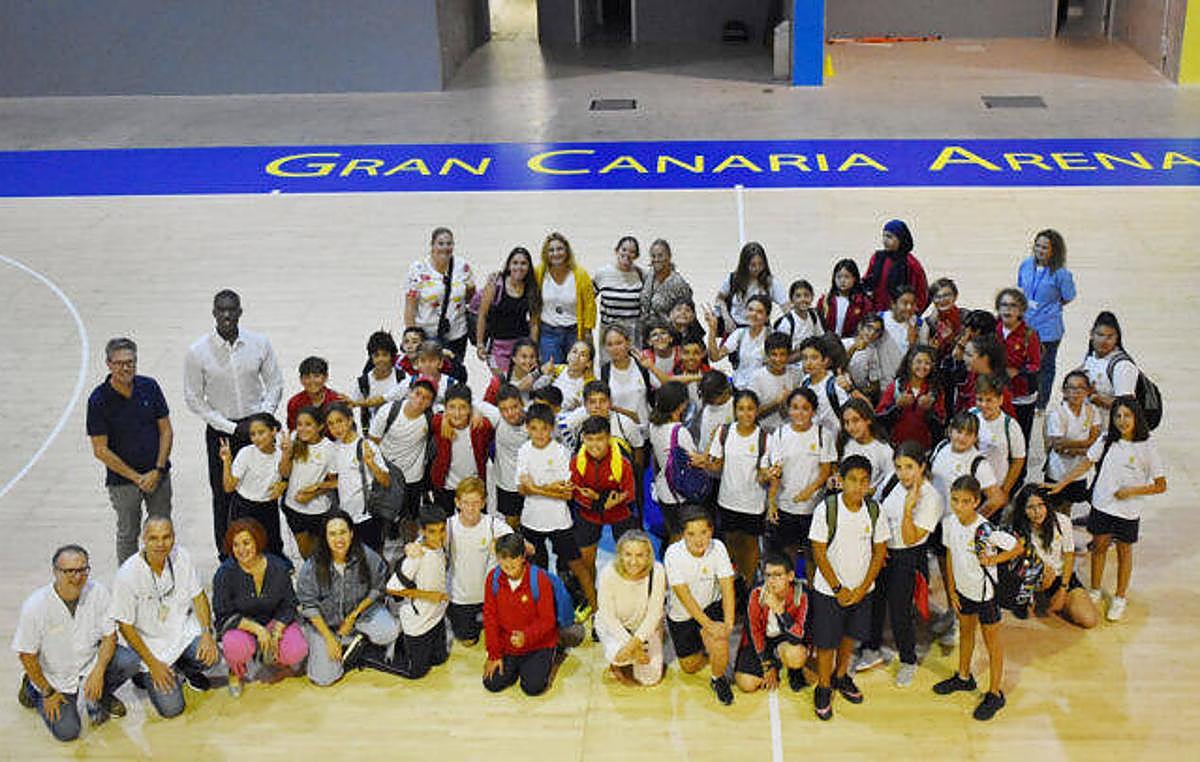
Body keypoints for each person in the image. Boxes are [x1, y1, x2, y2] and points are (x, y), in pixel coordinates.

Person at [184, 289, 284, 558]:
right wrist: (230, 427)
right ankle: (227, 555)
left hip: (258, 429)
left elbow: (275, 382)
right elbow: (194, 398)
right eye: (221, 310)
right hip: (222, 432)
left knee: (266, 488)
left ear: (240, 311)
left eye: (232, 309)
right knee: (223, 495)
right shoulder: (198, 352)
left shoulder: (259, 343)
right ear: (214, 312)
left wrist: (262, 418)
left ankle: (272, 551)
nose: (227, 315)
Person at [1047, 397, 1166, 622]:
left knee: (1124, 552)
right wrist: (1062, 483)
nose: (1122, 421)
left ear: (1136, 417)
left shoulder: (1147, 445)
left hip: (1128, 511)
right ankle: (1095, 589)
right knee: (1099, 546)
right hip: (1102, 506)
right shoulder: (1106, 440)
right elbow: (1086, 464)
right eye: (1118, 416)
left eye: (1127, 416)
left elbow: (1161, 485)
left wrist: (1131, 491)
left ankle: (1120, 597)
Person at [13, 544, 139, 741]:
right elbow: (26, 654)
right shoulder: (36, 606)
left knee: (129, 661)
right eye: (69, 571)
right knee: (68, 732)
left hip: (89, 663)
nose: (77, 576)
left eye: (82, 570)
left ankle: (100, 695)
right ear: (55, 572)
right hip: (54, 678)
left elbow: (109, 636)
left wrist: (98, 672)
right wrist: (47, 692)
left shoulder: (98, 593)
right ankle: (31, 688)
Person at [933, 475, 1024, 722]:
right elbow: (950, 555)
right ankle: (964, 677)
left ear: (976, 501)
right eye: (955, 500)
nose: (959, 506)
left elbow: (1017, 547)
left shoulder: (984, 528)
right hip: (963, 592)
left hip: (986, 596)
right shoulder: (950, 523)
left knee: (992, 643)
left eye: (965, 501)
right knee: (965, 633)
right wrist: (951, 589)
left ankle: (995, 693)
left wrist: (994, 560)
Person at [111, 517, 220, 719]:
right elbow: (125, 626)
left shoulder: (182, 557)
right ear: (143, 539)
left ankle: (184, 669)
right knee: (172, 709)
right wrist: (153, 665)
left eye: (166, 537)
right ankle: (142, 675)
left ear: (174, 538)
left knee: (212, 655)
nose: (161, 544)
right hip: (150, 648)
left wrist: (207, 634)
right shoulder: (128, 574)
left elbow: (199, 596)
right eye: (153, 538)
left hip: (180, 634)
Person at [808, 456, 889, 721]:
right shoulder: (826, 509)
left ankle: (841, 676)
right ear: (841, 481)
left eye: (864, 481)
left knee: (849, 636)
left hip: (862, 591)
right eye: (852, 480)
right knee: (825, 642)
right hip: (828, 591)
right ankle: (823, 685)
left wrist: (862, 588)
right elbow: (818, 551)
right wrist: (838, 587)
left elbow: (879, 553)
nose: (858, 486)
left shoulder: (875, 511)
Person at [858, 442, 941, 686]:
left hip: (907, 557)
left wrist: (907, 509)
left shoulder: (931, 497)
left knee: (899, 611)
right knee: (874, 602)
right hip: (882, 551)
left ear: (922, 467)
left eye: (909, 467)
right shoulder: (893, 481)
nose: (903, 473)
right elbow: (878, 509)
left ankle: (908, 660)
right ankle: (871, 649)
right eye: (899, 467)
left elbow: (910, 537)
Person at [87, 337, 174, 564]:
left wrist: (158, 469)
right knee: (128, 533)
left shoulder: (149, 387)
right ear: (108, 364)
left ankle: (163, 572)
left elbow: (166, 430)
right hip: (123, 482)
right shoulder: (98, 400)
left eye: (131, 362)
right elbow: (100, 449)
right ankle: (129, 581)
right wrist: (136, 477)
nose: (126, 367)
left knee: (162, 529)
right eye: (119, 363)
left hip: (158, 477)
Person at [296, 510, 400, 686]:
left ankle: (352, 638)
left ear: (351, 534)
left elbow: (378, 587)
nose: (339, 539)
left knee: (389, 632)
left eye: (343, 532)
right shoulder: (311, 567)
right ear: (325, 537)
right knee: (324, 679)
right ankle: (333, 642)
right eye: (333, 534)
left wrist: (353, 616)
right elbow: (309, 605)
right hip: (325, 624)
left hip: (359, 615)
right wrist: (328, 638)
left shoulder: (368, 556)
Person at [212, 518, 307, 698]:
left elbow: (290, 603)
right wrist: (258, 630)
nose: (241, 550)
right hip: (242, 627)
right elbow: (222, 615)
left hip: (272, 621)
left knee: (297, 649)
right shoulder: (225, 573)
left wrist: (278, 628)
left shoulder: (278, 567)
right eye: (236, 545)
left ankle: (279, 661)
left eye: (246, 543)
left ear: (257, 541)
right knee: (235, 646)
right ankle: (235, 671)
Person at [517, 403, 596, 616]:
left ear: (552, 428)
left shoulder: (561, 452)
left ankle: (597, 611)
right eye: (534, 428)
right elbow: (522, 489)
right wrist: (547, 488)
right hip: (531, 521)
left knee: (578, 567)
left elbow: (567, 494)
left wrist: (535, 487)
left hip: (560, 521)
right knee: (536, 572)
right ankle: (540, 613)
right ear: (527, 428)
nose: (539, 434)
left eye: (544, 428)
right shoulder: (524, 450)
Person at [664, 508, 737, 705]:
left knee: (720, 643)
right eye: (691, 534)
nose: (699, 540)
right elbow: (684, 595)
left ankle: (718, 678)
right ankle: (710, 654)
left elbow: (727, 585)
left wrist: (728, 624)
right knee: (689, 666)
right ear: (682, 535)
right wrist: (708, 625)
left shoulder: (718, 547)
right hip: (682, 613)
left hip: (710, 605)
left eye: (704, 532)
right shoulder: (673, 553)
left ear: (711, 531)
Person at [706, 389, 772, 597]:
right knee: (731, 544)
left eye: (750, 409)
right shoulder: (724, 432)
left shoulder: (765, 439)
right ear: (735, 411)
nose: (745, 414)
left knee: (750, 546)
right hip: (727, 501)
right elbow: (715, 466)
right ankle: (733, 585)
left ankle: (748, 588)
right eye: (741, 409)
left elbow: (762, 475)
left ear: (757, 411)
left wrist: (768, 475)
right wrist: (706, 457)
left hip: (753, 504)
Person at [764, 387, 836, 572]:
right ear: (788, 410)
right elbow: (775, 472)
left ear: (813, 411)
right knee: (788, 555)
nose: (800, 413)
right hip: (785, 506)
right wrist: (772, 502)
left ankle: (812, 595)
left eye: (805, 408)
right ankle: (792, 592)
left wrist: (809, 491)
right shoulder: (779, 434)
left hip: (813, 508)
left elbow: (826, 470)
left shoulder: (823, 435)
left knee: (814, 555)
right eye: (795, 407)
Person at [571, 416, 638, 611]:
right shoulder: (577, 461)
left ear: (608, 438)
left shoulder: (623, 462)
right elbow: (575, 491)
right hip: (589, 513)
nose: (594, 445)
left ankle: (626, 598)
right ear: (583, 439)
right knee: (586, 558)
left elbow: (630, 492)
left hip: (620, 513)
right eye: (589, 440)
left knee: (629, 557)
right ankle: (591, 598)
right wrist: (598, 502)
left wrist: (615, 500)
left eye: (599, 439)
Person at [1005, 485, 1098, 628]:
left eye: (1040, 505)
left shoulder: (1062, 521)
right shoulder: (1016, 528)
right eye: (1030, 507)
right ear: (1023, 510)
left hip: (1059, 577)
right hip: (1031, 574)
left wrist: (1062, 590)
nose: (1037, 512)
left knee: (1088, 619)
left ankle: (1050, 597)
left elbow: (1068, 555)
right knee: (1044, 573)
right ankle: (1031, 596)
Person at [482, 533, 560, 696]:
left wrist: (527, 636)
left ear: (523, 557)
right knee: (492, 683)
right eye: (504, 566)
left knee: (532, 688)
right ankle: (516, 667)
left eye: (513, 565)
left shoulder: (539, 580)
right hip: (508, 643)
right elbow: (490, 618)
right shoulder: (493, 579)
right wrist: (494, 654)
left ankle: (552, 653)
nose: (509, 570)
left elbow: (548, 620)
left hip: (538, 644)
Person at [441, 477, 514, 644]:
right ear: (457, 502)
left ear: (483, 503)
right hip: (460, 598)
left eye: (475, 502)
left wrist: (505, 547)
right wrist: (414, 547)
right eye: (466, 502)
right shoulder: (448, 526)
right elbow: (423, 543)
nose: (471, 508)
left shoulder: (493, 524)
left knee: (502, 636)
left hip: (491, 596)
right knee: (468, 640)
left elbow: (517, 544)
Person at [595, 529, 666, 687]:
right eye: (628, 554)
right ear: (620, 554)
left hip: (645, 627)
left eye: (640, 555)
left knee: (650, 679)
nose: (633, 561)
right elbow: (608, 616)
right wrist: (632, 648)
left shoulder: (658, 571)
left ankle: (654, 640)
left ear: (648, 555)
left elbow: (655, 614)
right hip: (615, 627)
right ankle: (619, 660)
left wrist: (635, 643)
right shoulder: (608, 573)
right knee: (618, 657)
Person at [386, 505, 450, 679]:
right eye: (433, 532)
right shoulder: (416, 556)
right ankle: (374, 652)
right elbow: (392, 588)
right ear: (423, 531)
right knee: (417, 673)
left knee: (440, 660)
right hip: (418, 623)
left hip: (436, 618)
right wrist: (430, 596)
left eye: (442, 530)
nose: (439, 536)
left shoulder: (439, 545)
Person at [733, 551, 809, 694]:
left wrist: (780, 611)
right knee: (746, 684)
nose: (771, 581)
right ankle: (774, 663)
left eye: (778, 575)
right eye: (768, 575)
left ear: (790, 576)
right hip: (761, 641)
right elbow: (753, 632)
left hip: (785, 640)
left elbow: (798, 636)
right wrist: (767, 665)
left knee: (797, 656)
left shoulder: (802, 595)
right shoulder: (756, 593)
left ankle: (793, 670)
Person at [370, 377, 436, 543]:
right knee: (383, 517)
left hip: (412, 477)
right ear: (409, 393)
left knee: (411, 517)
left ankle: (410, 551)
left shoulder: (430, 419)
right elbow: (372, 443)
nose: (420, 400)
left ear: (430, 403)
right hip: (388, 476)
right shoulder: (388, 411)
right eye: (417, 394)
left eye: (426, 398)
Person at [1016, 229, 1076, 411]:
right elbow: (1021, 289)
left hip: (1048, 329)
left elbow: (1068, 296)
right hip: (1025, 325)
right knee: (1024, 364)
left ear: (1054, 251)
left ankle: (1040, 405)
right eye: (1038, 246)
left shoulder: (1061, 274)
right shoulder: (1026, 265)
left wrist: (1050, 307)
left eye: (1045, 247)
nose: (1040, 250)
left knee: (1045, 367)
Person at [325, 402, 392, 554]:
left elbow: (386, 481)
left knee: (373, 557)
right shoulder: (335, 448)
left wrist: (371, 463)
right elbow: (340, 479)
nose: (336, 428)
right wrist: (317, 487)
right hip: (346, 517)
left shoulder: (365, 445)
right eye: (331, 424)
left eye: (340, 421)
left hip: (368, 516)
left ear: (350, 420)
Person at [220, 412, 287, 560]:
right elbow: (229, 487)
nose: (256, 438)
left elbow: (287, 475)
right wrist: (226, 461)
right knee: (242, 550)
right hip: (243, 508)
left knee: (272, 549)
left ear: (273, 431)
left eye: (261, 432)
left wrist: (283, 484)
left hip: (268, 508)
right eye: (253, 434)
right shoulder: (246, 453)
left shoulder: (281, 455)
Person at [404, 226, 477, 363]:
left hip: (457, 333)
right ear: (432, 245)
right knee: (430, 375)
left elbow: (470, 298)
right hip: (427, 334)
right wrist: (411, 337)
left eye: (449, 243)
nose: (445, 248)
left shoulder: (462, 267)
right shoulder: (418, 269)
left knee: (454, 373)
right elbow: (410, 307)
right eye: (440, 243)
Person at [647, 382, 706, 541]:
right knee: (682, 537)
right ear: (681, 406)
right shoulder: (679, 432)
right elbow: (696, 461)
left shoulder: (653, 426)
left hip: (663, 490)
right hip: (680, 494)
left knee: (672, 531)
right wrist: (708, 456)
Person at [280, 406, 338, 559]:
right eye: (299, 424)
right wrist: (286, 452)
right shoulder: (293, 439)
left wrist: (313, 493)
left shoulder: (330, 449)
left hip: (319, 511)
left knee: (321, 553)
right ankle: (312, 580)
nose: (302, 429)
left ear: (320, 426)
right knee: (305, 553)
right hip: (293, 508)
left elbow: (335, 482)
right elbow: (284, 473)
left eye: (308, 424)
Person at [1042, 371, 1102, 514]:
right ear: (1064, 391)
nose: (1076, 392)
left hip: (1078, 472)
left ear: (1088, 391)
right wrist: (1086, 447)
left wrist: (1071, 448)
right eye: (1071, 388)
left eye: (1081, 388)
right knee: (1054, 507)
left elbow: (1095, 441)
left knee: (1068, 504)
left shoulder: (1092, 411)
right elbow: (1057, 444)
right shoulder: (1057, 413)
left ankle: (1066, 527)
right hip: (1057, 470)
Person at [429, 384, 494, 514]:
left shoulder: (481, 426)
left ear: (470, 408)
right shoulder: (438, 422)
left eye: (463, 408)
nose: (457, 414)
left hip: (473, 486)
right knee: (445, 523)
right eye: (452, 407)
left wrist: (476, 411)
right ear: (445, 408)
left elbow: (495, 414)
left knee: (474, 524)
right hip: (445, 485)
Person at [476, 246, 540, 374]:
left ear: (528, 267)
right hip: (497, 347)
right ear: (509, 265)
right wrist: (480, 344)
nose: (519, 267)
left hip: (521, 346)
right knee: (502, 384)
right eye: (515, 263)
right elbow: (482, 315)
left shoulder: (531, 288)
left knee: (519, 385)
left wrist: (533, 349)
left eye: (523, 263)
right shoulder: (495, 285)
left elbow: (534, 323)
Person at [535, 231, 596, 364]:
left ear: (567, 251)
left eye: (560, 249)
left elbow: (590, 306)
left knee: (575, 371)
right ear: (546, 253)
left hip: (574, 332)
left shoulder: (580, 274)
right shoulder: (539, 272)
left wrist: (587, 333)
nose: (556, 253)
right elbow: (520, 279)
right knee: (552, 373)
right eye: (551, 250)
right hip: (548, 332)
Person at [994, 287, 1042, 443]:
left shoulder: (1030, 335)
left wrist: (1018, 371)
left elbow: (1035, 365)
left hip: (1021, 396)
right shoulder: (993, 330)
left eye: (1013, 306)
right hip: (997, 393)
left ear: (1021, 310)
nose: (1008, 309)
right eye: (1004, 305)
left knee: (1020, 439)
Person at [877, 344, 946, 449]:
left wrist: (929, 411)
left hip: (924, 449)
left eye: (927, 363)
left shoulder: (935, 391)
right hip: (896, 446)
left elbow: (941, 425)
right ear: (910, 362)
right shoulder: (895, 387)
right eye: (918, 362)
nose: (922, 366)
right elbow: (880, 418)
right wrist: (897, 406)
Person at [971, 376, 1026, 506]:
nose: (983, 405)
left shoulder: (1010, 426)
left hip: (996, 487)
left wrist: (1005, 490)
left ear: (1000, 400)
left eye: (989, 400)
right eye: (980, 399)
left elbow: (1018, 460)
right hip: (971, 487)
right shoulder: (971, 416)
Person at [713, 241, 788, 336]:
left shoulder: (771, 283)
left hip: (760, 330)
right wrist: (726, 317)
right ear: (744, 265)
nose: (757, 268)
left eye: (760, 264)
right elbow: (720, 298)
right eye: (753, 265)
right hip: (735, 328)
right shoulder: (733, 279)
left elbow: (786, 306)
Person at [1079, 311, 1139, 424]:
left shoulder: (1122, 366)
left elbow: (1126, 407)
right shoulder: (1091, 358)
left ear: (1117, 338)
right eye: (1100, 335)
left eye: (1110, 336)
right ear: (1091, 335)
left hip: (1112, 432)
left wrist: (1095, 398)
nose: (1104, 341)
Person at [594, 235, 648, 357]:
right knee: (608, 370)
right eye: (624, 249)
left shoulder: (642, 274)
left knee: (634, 369)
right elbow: (588, 299)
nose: (627, 254)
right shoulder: (603, 273)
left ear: (636, 256)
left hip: (633, 333)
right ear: (616, 250)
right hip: (609, 332)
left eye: (632, 251)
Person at [705, 294, 772, 390]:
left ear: (767, 317)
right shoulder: (739, 333)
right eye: (750, 310)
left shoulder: (771, 335)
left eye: (759, 312)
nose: (753, 314)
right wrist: (712, 329)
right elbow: (715, 357)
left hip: (762, 390)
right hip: (739, 389)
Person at [862, 219, 929, 313]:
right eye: (884, 236)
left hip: (899, 316)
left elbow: (921, 293)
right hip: (876, 313)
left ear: (900, 239)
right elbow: (867, 280)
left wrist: (912, 313)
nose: (885, 240)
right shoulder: (877, 258)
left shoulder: (911, 264)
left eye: (889, 237)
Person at [349, 330, 406, 431]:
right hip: (373, 435)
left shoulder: (403, 377)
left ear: (391, 356)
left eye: (384, 355)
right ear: (371, 357)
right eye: (376, 355)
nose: (381, 359)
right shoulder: (363, 382)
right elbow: (350, 407)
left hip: (400, 432)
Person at [837, 399, 895, 496]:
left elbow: (890, 482)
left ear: (868, 420)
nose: (851, 427)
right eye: (846, 422)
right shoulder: (845, 442)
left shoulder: (884, 450)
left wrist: (871, 491)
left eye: (855, 420)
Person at [800, 335, 851, 439]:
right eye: (805, 358)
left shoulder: (836, 384)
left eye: (814, 357)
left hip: (835, 441)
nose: (808, 363)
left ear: (825, 360)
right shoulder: (804, 382)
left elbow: (849, 415)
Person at [600, 325, 652, 426]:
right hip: (618, 431)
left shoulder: (641, 366)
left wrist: (652, 368)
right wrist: (631, 416)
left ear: (628, 343)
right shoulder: (603, 372)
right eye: (610, 345)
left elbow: (663, 386)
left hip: (645, 430)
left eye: (619, 343)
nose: (615, 348)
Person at [640, 239, 694, 329]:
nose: (656, 259)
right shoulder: (649, 275)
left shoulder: (678, 283)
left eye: (660, 256)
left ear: (669, 256)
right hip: (646, 333)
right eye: (653, 256)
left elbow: (688, 314)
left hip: (668, 335)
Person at [750, 332, 798, 433]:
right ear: (767, 355)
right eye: (774, 354)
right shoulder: (757, 378)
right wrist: (776, 402)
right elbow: (751, 414)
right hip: (765, 432)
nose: (778, 359)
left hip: (790, 431)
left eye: (782, 354)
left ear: (789, 355)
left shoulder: (796, 374)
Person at [285, 356, 344, 431]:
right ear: (301, 380)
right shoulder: (294, 403)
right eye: (307, 377)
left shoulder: (337, 400)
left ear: (326, 377)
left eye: (316, 376)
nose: (312, 381)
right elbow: (293, 431)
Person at [817, 259, 871, 338]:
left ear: (854, 278)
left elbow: (867, 326)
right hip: (828, 343)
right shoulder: (825, 300)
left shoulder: (863, 302)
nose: (842, 281)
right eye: (839, 277)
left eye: (846, 277)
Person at [775, 279, 823, 364]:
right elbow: (781, 357)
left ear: (812, 297)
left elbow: (820, 337)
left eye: (806, 295)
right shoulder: (786, 323)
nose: (803, 299)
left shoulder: (813, 315)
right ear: (791, 300)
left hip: (811, 361)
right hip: (792, 365)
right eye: (798, 296)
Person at [925, 277, 963, 362]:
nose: (942, 300)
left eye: (946, 295)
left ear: (955, 296)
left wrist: (952, 339)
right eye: (937, 296)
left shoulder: (966, 317)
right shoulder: (928, 323)